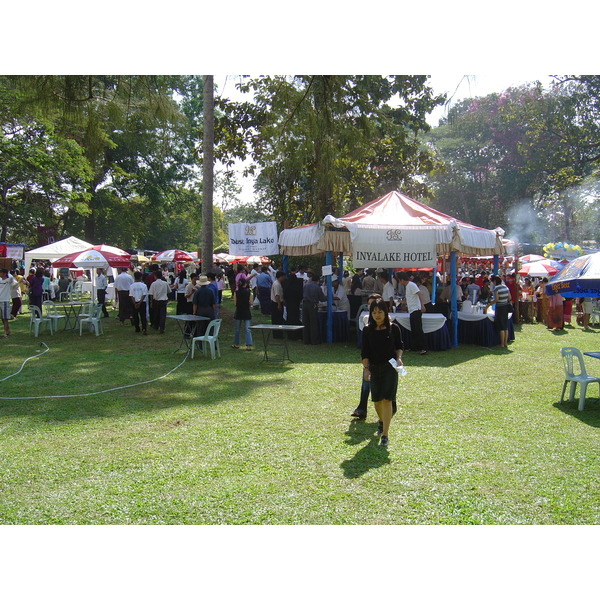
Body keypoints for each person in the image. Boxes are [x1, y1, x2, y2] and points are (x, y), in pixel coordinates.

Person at [361, 298, 404, 447]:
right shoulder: (367, 330)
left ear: (385, 312)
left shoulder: (394, 328)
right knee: (377, 400)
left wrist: (398, 359)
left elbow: (399, 346)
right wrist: (366, 369)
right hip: (373, 367)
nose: (377, 315)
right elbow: (364, 352)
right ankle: (381, 420)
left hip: (390, 368)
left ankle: (385, 434)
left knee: (387, 400)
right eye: (374, 312)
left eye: (380, 312)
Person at [398, 271, 427, 355]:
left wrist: (422, 306)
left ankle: (424, 348)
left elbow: (420, 294)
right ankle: (415, 347)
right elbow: (410, 298)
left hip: (416, 310)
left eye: (399, 280)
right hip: (412, 310)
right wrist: (402, 302)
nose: (400, 282)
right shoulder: (408, 286)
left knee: (418, 329)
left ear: (402, 280)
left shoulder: (411, 285)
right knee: (414, 330)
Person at [485, 275, 512, 347]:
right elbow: (510, 297)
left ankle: (502, 344)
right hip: (506, 307)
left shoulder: (496, 288)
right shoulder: (506, 287)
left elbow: (496, 299)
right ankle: (505, 343)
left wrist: (489, 304)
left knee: (501, 326)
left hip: (500, 308)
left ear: (495, 281)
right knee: (505, 326)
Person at [302, 273, 325, 344]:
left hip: (304, 304)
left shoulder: (305, 286)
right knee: (313, 323)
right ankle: (314, 340)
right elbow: (322, 298)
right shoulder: (318, 287)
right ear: (318, 280)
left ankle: (306, 340)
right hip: (312, 305)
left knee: (305, 323)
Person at [232, 277, 253, 350]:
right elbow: (251, 302)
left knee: (237, 329)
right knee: (247, 329)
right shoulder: (248, 292)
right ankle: (249, 345)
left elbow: (235, 303)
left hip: (238, 312)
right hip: (246, 311)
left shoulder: (236, 292)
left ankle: (237, 343)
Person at [282, 271, 304, 339]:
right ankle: (296, 334)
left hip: (289, 305)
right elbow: (301, 295)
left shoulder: (287, 287)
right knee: (296, 319)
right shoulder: (298, 287)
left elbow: (284, 295)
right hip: (296, 305)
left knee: (289, 319)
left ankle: (290, 334)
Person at [270, 270, 286, 336]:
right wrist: (279, 304)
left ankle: (278, 333)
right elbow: (277, 295)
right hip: (276, 303)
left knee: (279, 319)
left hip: (278, 302)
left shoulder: (278, 283)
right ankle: (277, 334)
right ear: (280, 277)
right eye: (283, 276)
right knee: (277, 319)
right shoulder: (276, 284)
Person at [0, 268, 13, 337]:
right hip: (0, 300)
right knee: (2, 317)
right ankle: (7, 330)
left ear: (4, 273)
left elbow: (11, 278)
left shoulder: (8, 280)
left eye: (1, 272)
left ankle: (6, 332)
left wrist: (8, 271)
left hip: (4, 300)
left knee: (5, 317)